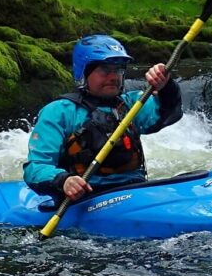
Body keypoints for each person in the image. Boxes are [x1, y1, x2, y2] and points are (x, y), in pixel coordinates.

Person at [23, 34, 182, 203]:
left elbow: (169, 113)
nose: (114, 77)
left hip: (134, 191)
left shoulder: (132, 104)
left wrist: (166, 86)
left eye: (118, 69)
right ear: (84, 72)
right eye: (105, 70)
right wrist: (64, 181)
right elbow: (35, 167)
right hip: (85, 200)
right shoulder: (59, 112)